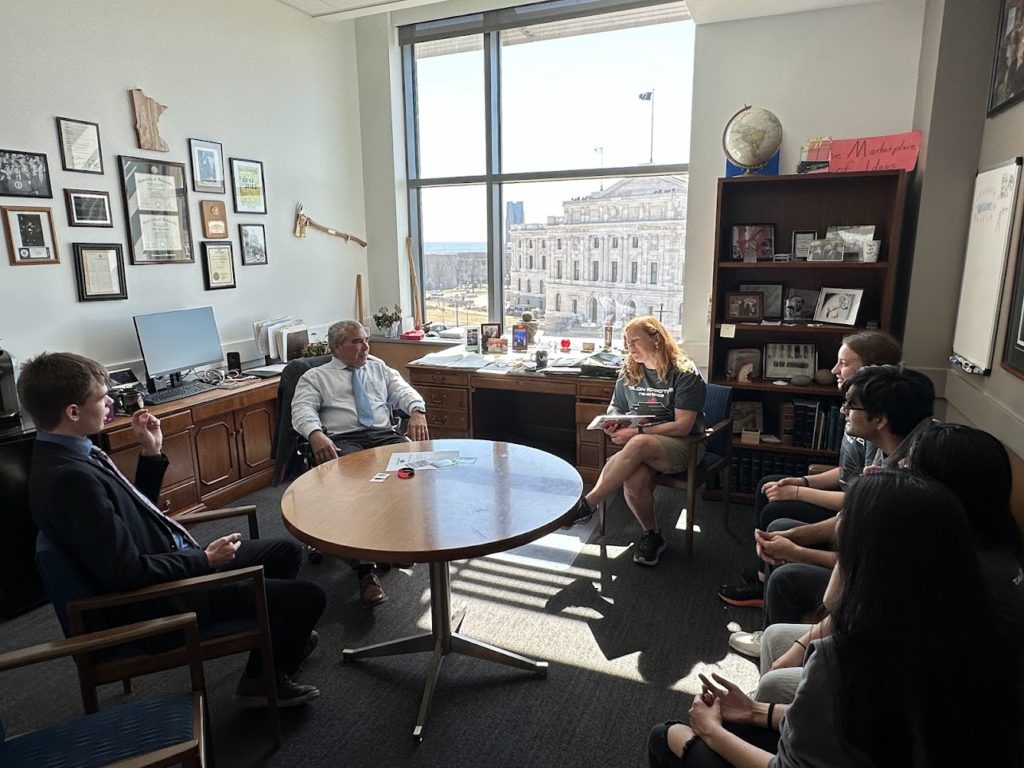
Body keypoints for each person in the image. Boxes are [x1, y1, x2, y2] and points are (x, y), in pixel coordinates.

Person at [648, 471, 1024, 768]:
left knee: (667, 736)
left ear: (870, 565)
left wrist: (710, 732)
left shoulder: (845, 660)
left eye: (843, 548)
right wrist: (756, 711)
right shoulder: (970, 634)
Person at [20, 352, 325, 708]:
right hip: (162, 597)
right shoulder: (70, 479)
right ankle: (260, 682)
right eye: (102, 398)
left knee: (285, 553)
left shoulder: (65, 455)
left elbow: (131, 515)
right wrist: (205, 560)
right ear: (72, 412)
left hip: (169, 560)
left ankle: (275, 646)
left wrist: (151, 455)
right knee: (310, 598)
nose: (110, 404)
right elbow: (127, 573)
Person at [753, 422, 1024, 706]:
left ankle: (783, 735)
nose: (900, 473)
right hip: (906, 656)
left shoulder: (965, 567)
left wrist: (862, 511)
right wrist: (800, 646)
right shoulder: (968, 538)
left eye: (911, 471)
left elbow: (840, 604)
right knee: (776, 638)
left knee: (775, 683)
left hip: (932, 696)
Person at [718, 331, 901, 610]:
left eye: (843, 363)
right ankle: (761, 576)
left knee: (774, 511)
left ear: (869, 369)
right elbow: (846, 471)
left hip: (849, 509)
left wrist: (798, 492)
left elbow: (857, 497)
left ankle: (767, 583)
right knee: (769, 483)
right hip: (846, 501)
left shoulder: (875, 422)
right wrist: (803, 479)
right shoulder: (857, 410)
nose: (835, 370)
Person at [291, 319, 429, 606]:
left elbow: (402, 391)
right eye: (357, 341)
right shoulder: (315, 377)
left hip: (383, 436)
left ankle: (398, 543)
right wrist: (315, 434)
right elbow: (302, 409)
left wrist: (417, 411)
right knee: (357, 494)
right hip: (344, 440)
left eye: (366, 340)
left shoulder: (377, 366)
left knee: (416, 471)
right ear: (336, 347)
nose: (365, 346)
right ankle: (365, 571)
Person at [567, 316, 706, 567]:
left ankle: (588, 503)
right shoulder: (630, 369)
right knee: (633, 477)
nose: (629, 347)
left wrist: (637, 432)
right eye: (626, 342)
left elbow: (683, 425)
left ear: (656, 338)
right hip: (640, 449)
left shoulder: (684, 372)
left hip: (685, 445)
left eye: (635, 341)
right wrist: (613, 420)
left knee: (638, 444)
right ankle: (652, 534)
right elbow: (616, 406)